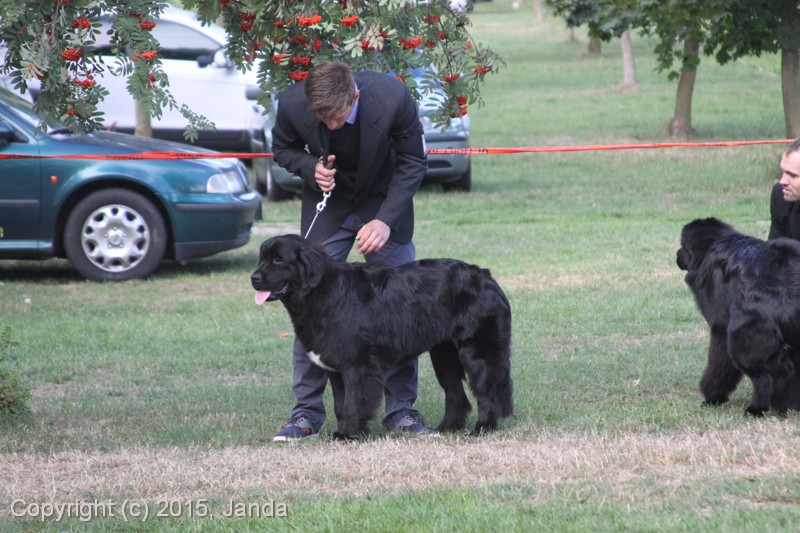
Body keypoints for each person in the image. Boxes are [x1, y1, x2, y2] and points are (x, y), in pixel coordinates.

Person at [269, 61, 437, 441]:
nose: (331, 126)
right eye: (322, 119)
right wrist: (310, 167)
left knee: (400, 305)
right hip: (329, 209)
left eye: (337, 117)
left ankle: (401, 411)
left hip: (382, 204)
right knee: (309, 303)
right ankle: (306, 414)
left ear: (355, 96)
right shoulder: (293, 101)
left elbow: (413, 161)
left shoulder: (392, 97)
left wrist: (385, 220)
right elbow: (282, 148)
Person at [769, 137, 800, 240]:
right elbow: (775, 248)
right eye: (783, 172)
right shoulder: (780, 196)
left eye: (792, 175)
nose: (782, 181)